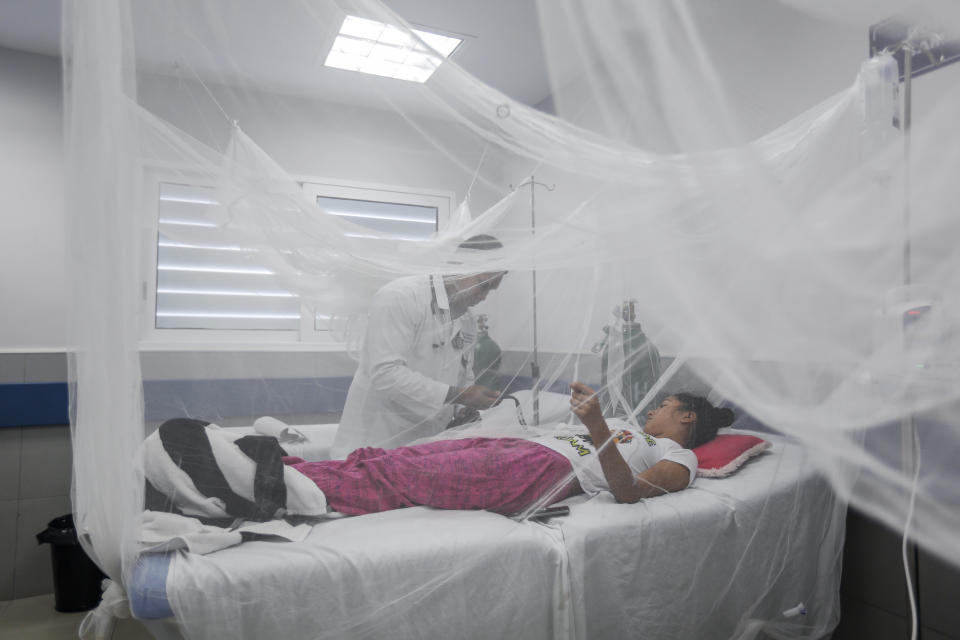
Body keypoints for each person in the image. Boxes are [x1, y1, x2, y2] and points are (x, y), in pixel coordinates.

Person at [289, 383, 735, 516]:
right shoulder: (628, 428)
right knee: (393, 460)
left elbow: (630, 493)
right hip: (521, 448)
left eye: (664, 406)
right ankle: (280, 467)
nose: (653, 412)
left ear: (687, 418)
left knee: (403, 480)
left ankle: (276, 486)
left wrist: (598, 426)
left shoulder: (680, 458)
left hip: (544, 470)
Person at [330, 235, 507, 459]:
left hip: (423, 448)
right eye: (482, 285)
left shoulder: (467, 321)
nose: (484, 296)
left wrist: (465, 410)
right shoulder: (402, 297)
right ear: (461, 265)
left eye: (491, 289)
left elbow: (464, 377)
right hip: (374, 443)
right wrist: (458, 396)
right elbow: (385, 373)